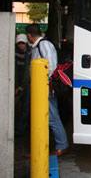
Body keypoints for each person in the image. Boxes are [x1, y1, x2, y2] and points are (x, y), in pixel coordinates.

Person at [25, 23, 69, 156]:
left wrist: (43, 81)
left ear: (29, 35)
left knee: (52, 116)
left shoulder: (44, 45)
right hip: (39, 87)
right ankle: (40, 148)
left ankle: (62, 144)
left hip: (44, 87)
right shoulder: (38, 46)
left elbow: (51, 65)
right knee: (41, 117)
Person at [14, 33, 31, 138]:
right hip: (19, 84)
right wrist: (16, 86)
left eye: (22, 43)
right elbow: (15, 71)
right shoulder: (15, 54)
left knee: (26, 107)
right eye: (19, 43)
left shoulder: (30, 53)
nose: (21, 45)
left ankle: (20, 129)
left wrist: (21, 86)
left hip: (27, 84)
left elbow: (26, 72)